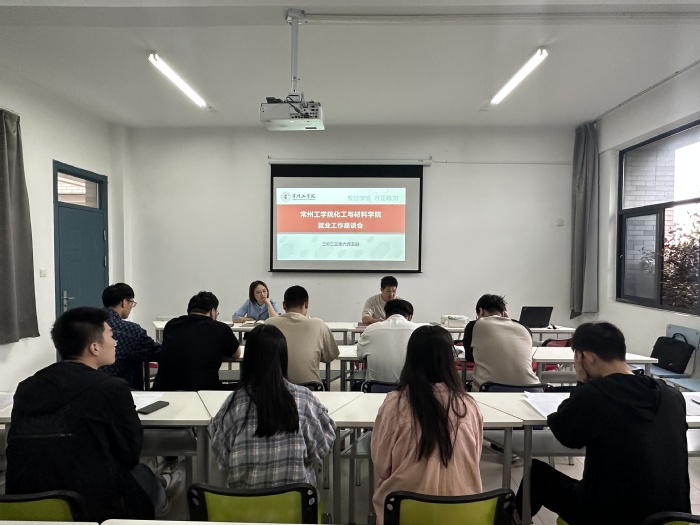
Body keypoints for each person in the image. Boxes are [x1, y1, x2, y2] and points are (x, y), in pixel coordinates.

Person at [5, 307, 183, 522]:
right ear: (95, 347)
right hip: (91, 506)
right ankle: (162, 492)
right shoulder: (111, 388)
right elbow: (129, 454)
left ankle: (161, 485)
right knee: (141, 473)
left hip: (25, 503)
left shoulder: (27, 387)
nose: (115, 342)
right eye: (111, 335)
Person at [514, 322, 690, 525]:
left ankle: (513, 520)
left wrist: (581, 382)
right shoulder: (672, 396)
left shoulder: (594, 394)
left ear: (586, 357)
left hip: (612, 516)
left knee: (536, 475)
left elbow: (566, 434)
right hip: (674, 517)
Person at [371, 325, 483, 524]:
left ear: (410, 359)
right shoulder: (468, 405)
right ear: (449, 360)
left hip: (405, 513)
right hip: (464, 514)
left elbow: (382, 465)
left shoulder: (395, 404)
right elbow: (474, 456)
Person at [209, 324, 336, 489]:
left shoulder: (234, 403)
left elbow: (221, 454)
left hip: (243, 503)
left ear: (248, 360)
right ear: (283, 357)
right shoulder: (303, 398)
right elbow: (323, 447)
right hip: (296, 502)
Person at [153, 291, 241, 391]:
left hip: (164, 390)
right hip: (204, 390)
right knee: (243, 387)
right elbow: (236, 354)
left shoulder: (171, 325)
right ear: (212, 311)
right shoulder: (221, 328)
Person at [265, 285, 340, 385]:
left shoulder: (269, 324)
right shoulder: (318, 324)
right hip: (311, 388)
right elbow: (330, 356)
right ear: (306, 304)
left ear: (284, 305)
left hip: (276, 388)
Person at [464, 293, 539, 389]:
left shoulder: (474, 325)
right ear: (504, 311)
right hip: (532, 388)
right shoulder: (524, 327)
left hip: (491, 389)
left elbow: (469, 357)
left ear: (481, 311)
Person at [99, 282, 161, 390]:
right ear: (124, 302)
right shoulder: (131, 330)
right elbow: (157, 352)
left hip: (89, 388)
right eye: (132, 302)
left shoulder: (86, 326)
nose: (132, 306)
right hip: (124, 390)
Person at [357, 298, 420, 383]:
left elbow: (360, 355)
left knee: (355, 386)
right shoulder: (418, 330)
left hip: (376, 388)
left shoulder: (371, 329)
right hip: (411, 388)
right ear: (410, 317)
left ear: (386, 315)